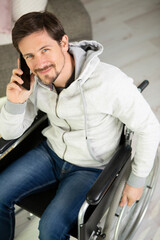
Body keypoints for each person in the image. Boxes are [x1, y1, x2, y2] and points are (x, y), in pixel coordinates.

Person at [0, 11, 159, 240]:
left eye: (45, 50)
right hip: (51, 153)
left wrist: (136, 181)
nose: (40, 63)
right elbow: (10, 132)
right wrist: (16, 103)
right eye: (30, 56)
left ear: (64, 42)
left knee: (50, 229)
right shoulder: (35, 81)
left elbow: (148, 127)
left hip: (91, 167)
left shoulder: (109, 82)